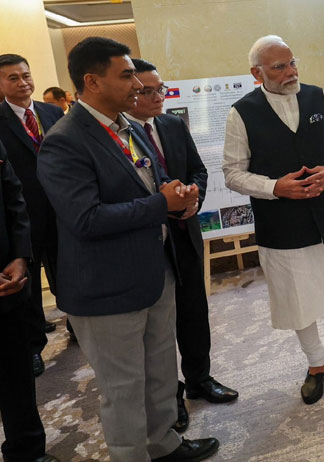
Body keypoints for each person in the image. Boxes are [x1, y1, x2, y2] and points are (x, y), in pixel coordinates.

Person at [36, 37, 219, 461]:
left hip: (156, 272)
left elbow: (145, 185)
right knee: (123, 389)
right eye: (126, 75)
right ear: (92, 82)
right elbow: (86, 218)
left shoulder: (129, 127)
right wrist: (161, 204)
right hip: (107, 289)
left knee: (158, 374)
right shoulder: (65, 141)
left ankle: (163, 443)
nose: (137, 83)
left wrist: (176, 198)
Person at [223, 35, 324, 405]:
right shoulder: (241, 113)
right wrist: (275, 187)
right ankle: (315, 364)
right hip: (281, 223)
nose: (291, 71)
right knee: (297, 298)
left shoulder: (317, 96)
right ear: (256, 73)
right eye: (280, 66)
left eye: (293, 62)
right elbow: (232, 173)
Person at [126, 58, 239, 434]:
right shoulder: (120, 136)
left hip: (184, 231)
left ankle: (199, 379)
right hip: (146, 241)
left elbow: (197, 170)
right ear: (129, 92)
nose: (159, 96)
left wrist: (194, 197)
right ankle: (169, 396)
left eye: (161, 88)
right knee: (157, 327)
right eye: (147, 91)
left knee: (193, 310)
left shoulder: (172, 124)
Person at [0, 54, 63, 377]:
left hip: (62, 208)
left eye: (25, 75)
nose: (23, 82)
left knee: (66, 270)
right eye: (13, 78)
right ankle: (34, 345)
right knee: (29, 286)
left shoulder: (54, 112)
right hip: (24, 214)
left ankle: (79, 326)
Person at [0, 139, 59, 462]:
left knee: (16, 373)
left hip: (9, 281)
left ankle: (27, 451)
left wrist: (22, 255)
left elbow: (13, 197)